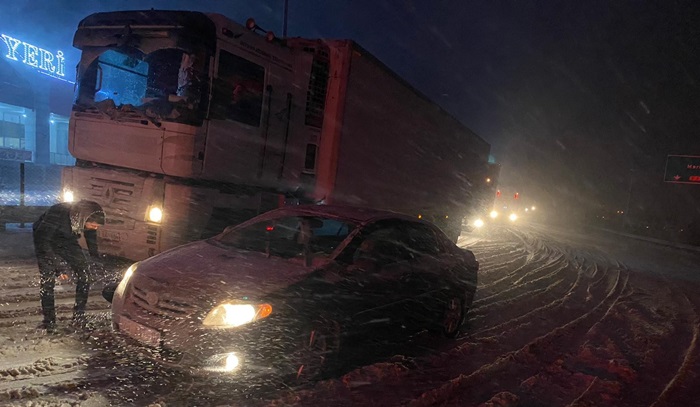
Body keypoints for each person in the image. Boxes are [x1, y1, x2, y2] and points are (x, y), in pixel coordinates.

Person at [32, 200, 106, 332]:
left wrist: (96, 258)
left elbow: (91, 237)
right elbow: (43, 242)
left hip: (67, 240)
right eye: (93, 226)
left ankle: (79, 317)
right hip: (45, 241)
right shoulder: (57, 213)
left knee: (85, 275)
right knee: (47, 282)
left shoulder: (86, 216)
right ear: (84, 219)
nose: (94, 229)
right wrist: (58, 268)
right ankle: (49, 322)